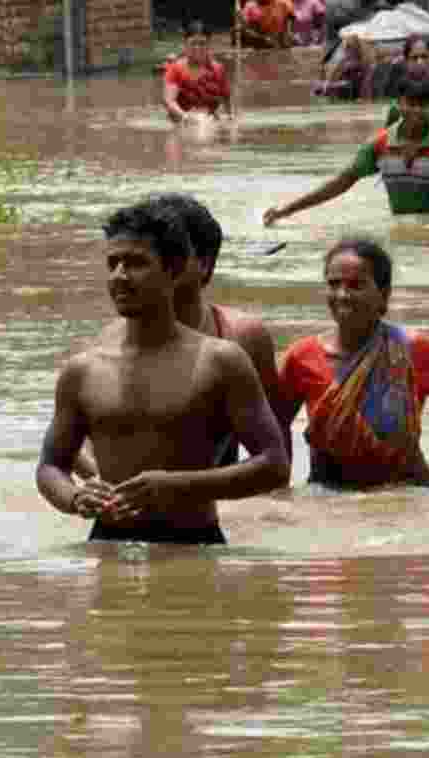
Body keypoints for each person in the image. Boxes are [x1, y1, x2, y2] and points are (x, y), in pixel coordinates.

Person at [36, 199, 290, 545]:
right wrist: (76, 498)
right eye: (113, 263)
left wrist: (177, 486)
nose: (120, 276)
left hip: (195, 546)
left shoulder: (222, 361)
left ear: (174, 271)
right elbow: (51, 467)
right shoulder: (83, 370)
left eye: (136, 263)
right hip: (106, 544)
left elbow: (274, 466)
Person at [78, 193, 283, 475]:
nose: (122, 275)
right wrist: (102, 484)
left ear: (204, 264)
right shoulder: (106, 345)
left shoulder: (241, 339)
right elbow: (77, 441)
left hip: (216, 493)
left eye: (172, 252)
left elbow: (276, 447)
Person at [275, 238, 429, 490]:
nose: (342, 295)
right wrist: (281, 491)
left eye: (356, 285)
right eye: (333, 284)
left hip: (408, 495)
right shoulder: (302, 357)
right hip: (329, 497)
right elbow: (276, 425)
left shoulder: (412, 350)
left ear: (384, 294)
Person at [264, 75, 429, 224]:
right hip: (400, 227)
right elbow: (341, 182)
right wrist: (286, 211)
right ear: (399, 103)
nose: (417, 111)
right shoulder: (380, 144)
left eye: (424, 105)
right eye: (411, 104)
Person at [163, 21, 231, 124]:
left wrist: (225, 118)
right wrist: (186, 117)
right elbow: (169, 101)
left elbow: (226, 102)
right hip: (182, 123)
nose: (197, 48)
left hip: (209, 122)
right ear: (185, 44)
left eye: (202, 43)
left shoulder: (218, 69)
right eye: (193, 43)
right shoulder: (175, 69)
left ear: (209, 44)